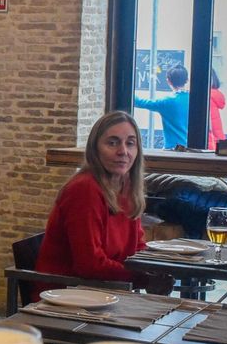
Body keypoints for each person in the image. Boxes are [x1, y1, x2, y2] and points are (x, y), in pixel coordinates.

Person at [35, 111, 162, 293]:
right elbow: (90, 265)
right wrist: (142, 279)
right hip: (68, 294)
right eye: (112, 143)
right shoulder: (84, 189)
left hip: (105, 290)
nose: (123, 151)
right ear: (95, 149)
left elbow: (137, 247)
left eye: (130, 143)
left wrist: (159, 268)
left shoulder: (126, 185)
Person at [134, 63, 190, 149]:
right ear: (187, 80)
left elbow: (141, 102)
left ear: (168, 81)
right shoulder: (193, 100)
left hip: (172, 149)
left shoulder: (166, 102)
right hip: (191, 148)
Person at [208, 68, 227, 148]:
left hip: (210, 139)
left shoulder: (207, 96)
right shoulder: (217, 95)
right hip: (218, 137)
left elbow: (209, 126)